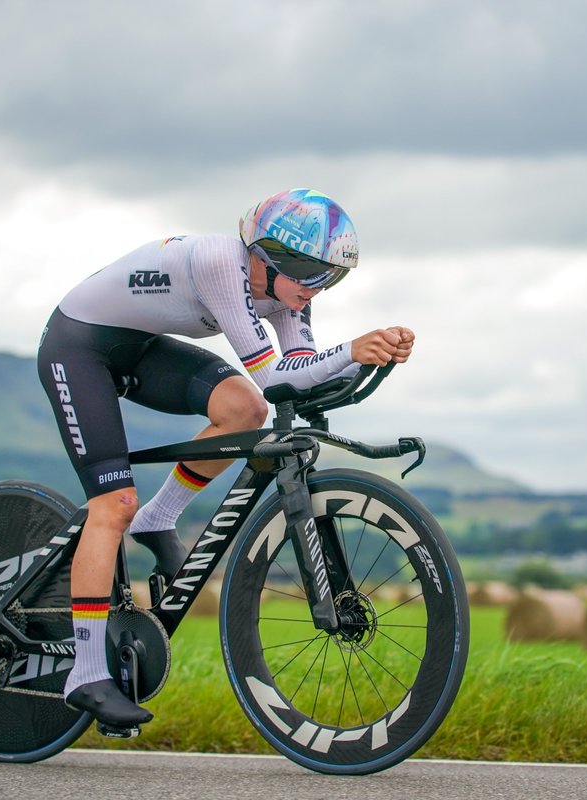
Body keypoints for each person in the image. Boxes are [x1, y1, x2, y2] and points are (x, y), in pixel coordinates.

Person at [36, 188, 415, 729]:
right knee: (112, 504)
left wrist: (369, 359)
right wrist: (351, 350)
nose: (319, 290)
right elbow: (277, 374)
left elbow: (299, 372)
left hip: (139, 344)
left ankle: (159, 517)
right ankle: (86, 671)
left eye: (332, 278)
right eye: (314, 276)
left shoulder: (286, 293)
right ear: (270, 258)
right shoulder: (221, 263)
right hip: (79, 348)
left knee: (244, 408)